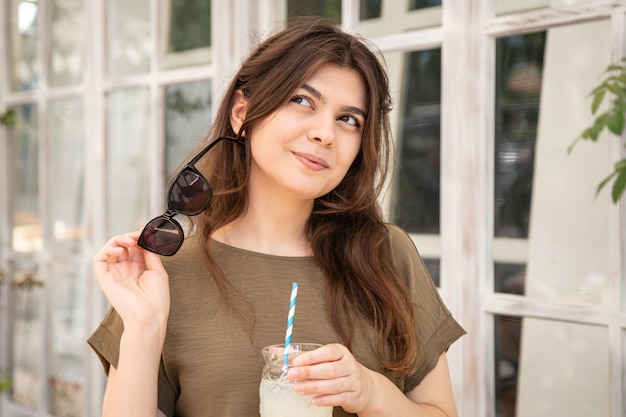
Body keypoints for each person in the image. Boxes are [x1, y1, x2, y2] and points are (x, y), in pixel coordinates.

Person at [88, 16, 465, 417]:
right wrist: (144, 328)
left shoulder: (386, 254)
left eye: (349, 119)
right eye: (302, 100)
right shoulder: (165, 273)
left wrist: (372, 393)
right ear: (241, 113)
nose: (325, 133)